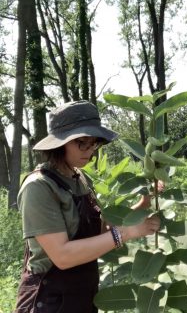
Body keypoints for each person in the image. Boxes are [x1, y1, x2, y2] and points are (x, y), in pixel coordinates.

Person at [15, 100, 160, 313]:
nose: (90, 151)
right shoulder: (39, 187)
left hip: (82, 297)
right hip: (49, 301)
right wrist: (128, 232)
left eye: (94, 144)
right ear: (60, 143)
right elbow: (63, 256)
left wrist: (143, 205)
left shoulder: (81, 178)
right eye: (82, 143)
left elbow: (102, 233)